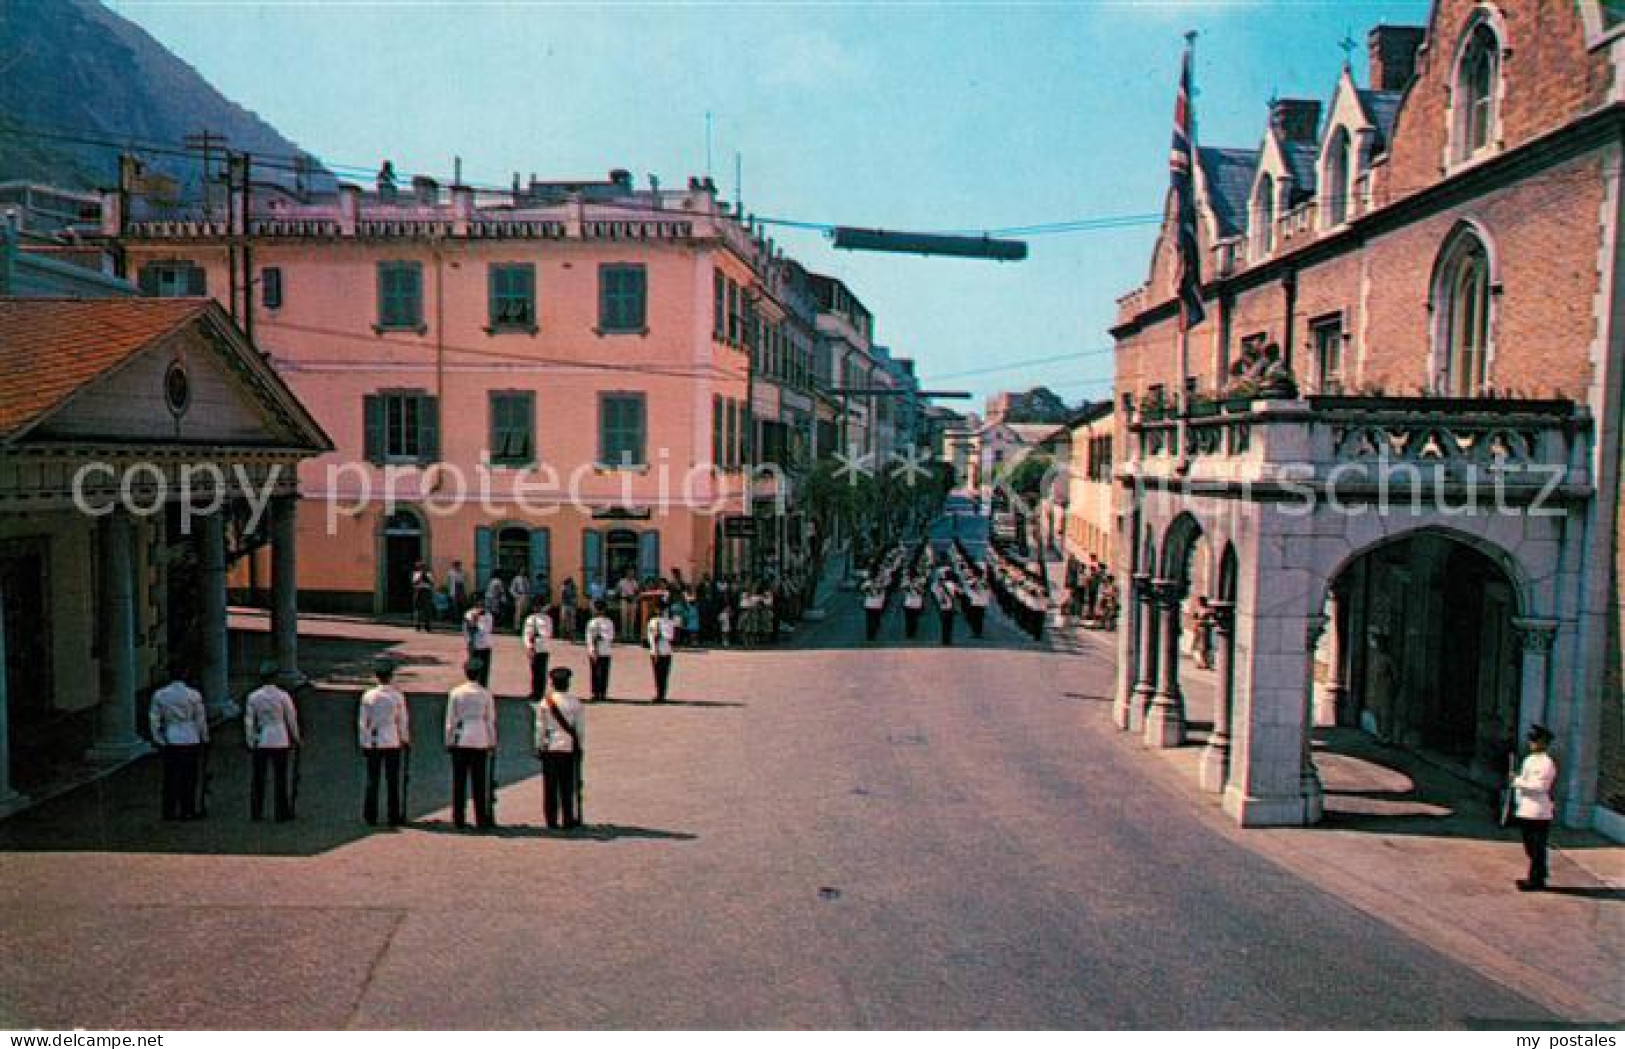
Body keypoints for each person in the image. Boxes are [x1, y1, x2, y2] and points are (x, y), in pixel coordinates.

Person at [149, 663, 209, 820]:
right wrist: (205, 737)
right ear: (185, 673)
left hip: (171, 738)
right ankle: (187, 809)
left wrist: (159, 739)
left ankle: (169, 810)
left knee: (170, 777)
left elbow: (154, 719)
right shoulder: (194, 695)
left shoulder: (160, 695)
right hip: (190, 737)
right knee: (189, 777)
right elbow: (200, 719)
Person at [244, 660, 301, 822]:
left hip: (262, 739)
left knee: (258, 778)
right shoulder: (283, 696)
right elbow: (291, 718)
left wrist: (250, 740)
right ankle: (281, 811)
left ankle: (256, 811)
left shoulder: (254, 697)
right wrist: (296, 737)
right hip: (280, 738)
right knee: (280, 777)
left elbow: (249, 721)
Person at [444, 659, 497, 830]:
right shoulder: (485, 694)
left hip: (461, 737)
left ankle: (458, 817)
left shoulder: (456, 693)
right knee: (479, 781)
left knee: (459, 781)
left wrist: (449, 740)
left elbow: (450, 721)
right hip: (480, 737)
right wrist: (492, 741)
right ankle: (480, 817)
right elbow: (490, 720)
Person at [358, 659, 410, 826]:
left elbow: (362, 722)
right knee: (393, 780)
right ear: (390, 676)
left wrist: (363, 742)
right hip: (392, 739)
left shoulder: (368, 696)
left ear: (376, 676)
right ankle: (393, 815)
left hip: (374, 740)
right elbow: (402, 721)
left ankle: (370, 815)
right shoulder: (397, 696)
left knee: (372, 779)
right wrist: (405, 739)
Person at [533, 666, 585, 831]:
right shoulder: (575, 702)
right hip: (568, 746)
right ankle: (568, 818)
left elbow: (540, 728)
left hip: (550, 746)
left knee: (550, 787)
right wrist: (579, 747)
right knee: (567, 785)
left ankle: (551, 820)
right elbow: (580, 729)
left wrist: (539, 745)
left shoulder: (545, 703)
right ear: (567, 683)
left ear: (552, 683)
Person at [1512, 724, 1559, 891]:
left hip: (1539, 811)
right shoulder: (1529, 760)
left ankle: (1535, 880)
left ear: (1544, 743)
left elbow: (1540, 787)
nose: (1531, 743)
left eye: (1535, 740)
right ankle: (1540, 873)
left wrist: (1517, 782)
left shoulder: (1547, 763)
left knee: (1537, 846)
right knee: (1529, 845)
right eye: (1531, 740)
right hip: (1526, 809)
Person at [522, 600, 554, 701]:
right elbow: (526, 634)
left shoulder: (547, 619)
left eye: (539, 606)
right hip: (533, 648)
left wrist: (538, 636)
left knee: (541, 671)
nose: (537, 608)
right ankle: (534, 691)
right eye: (535, 606)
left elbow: (548, 634)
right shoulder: (530, 619)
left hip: (543, 648)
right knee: (534, 671)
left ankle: (540, 692)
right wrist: (529, 646)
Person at [647, 600, 677, 702]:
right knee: (657, 673)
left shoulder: (669, 622)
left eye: (662, 609)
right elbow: (650, 636)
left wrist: (661, 636)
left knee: (664, 674)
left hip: (665, 651)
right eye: (658, 609)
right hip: (655, 651)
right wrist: (653, 645)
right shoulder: (652, 621)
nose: (660, 611)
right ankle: (658, 693)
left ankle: (662, 694)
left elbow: (671, 637)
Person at [585, 600, 616, 702]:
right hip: (594, 650)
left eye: (600, 609)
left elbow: (611, 636)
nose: (598, 612)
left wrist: (601, 637)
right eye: (597, 609)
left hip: (605, 650)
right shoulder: (591, 622)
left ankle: (603, 693)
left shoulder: (609, 622)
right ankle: (595, 692)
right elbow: (589, 637)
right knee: (594, 671)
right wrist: (592, 649)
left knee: (604, 672)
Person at [463, 597, 494, 687]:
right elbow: (466, 629)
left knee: (484, 669)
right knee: (473, 668)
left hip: (485, 644)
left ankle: (483, 687)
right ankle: (472, 686)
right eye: (479, 604)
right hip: (474, 645)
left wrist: (475, 621)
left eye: (482, 604)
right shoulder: (469, 614)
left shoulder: (488, 615)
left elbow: (485, 629)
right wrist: (468, 641)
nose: (481, 606)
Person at [411, 560, 436, 632]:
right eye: (421, 567)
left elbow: (432, 583)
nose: (422, 568)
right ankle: (417, 625)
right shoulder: (416, 574)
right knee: (417, 609)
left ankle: (427, 626)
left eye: (423, 567)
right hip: (418, 591)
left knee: (427, 610)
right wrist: (421, 576)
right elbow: (414, 583)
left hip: (426, 591)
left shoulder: (429, 574)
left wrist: (425, 577)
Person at [935, 576, 959, 646]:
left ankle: (944, 641)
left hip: (943, 608)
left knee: (944, 625)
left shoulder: (939, 587)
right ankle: (948, 640)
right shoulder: (952, 585)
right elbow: (958, 593)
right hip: (950, 607)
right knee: (949, 625)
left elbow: (938, 597)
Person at [862, 574, 887, 642]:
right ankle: (871, 634)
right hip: (875, 605)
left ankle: (870, 634)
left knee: (871, 620)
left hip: (871, 604)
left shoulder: (869, 583)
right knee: (874, 620)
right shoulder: (879, 584)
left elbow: (862, 589)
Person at [901, 573, 925, 640]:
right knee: (910, 619)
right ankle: (910, 632)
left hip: (914, 604)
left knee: (912, 620)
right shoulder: (907, 583)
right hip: (911, 604)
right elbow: (903, 591)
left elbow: (922, 593)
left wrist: (916, 587)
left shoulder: (919, 583)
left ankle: (911, 633)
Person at [559, 576, 580, 641]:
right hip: (566, 605)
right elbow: (562, 598)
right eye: (570, 581)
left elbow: (576, 596)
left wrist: (575, 603)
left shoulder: (573, 588)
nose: (571, 583)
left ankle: (571, 637)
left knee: (572, 622)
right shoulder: (564, 588)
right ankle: (564, 636)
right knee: (564, 621)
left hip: (570, 606)